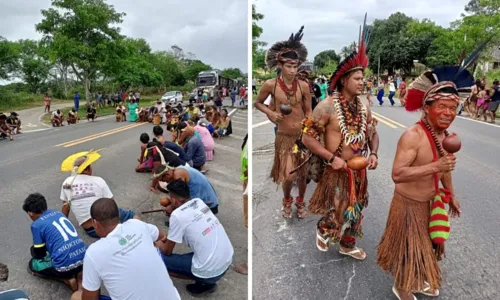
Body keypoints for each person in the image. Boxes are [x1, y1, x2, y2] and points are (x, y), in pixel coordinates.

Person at [377, 65, 467, 299]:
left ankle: (414, 279)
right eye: (442, 107)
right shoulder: (413, 136)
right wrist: (435, 166)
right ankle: (402, 285)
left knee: (426, 247)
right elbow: (397, 174)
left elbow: (445, 169)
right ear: (427, 108)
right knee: (408, 247)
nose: (448, 113)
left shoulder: (445, 137)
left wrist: (452, 195)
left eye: (453, 108)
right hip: (409, 204)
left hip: (431, 202)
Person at [301, 14, 379, 258]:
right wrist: (330, 157)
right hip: (336, 168)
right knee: (339, 206)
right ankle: (324, 228)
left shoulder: (364, 105)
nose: (362, 82)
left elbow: (373, 133)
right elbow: (307, 138)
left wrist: (374, 153)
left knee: (356, 207)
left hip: (359, 169)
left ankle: (347, 244)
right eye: (357, 78)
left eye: (363, 78)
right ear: (344, 80)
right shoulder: (326, 106)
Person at [254, 26, 312, 219]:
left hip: (302, 137)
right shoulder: (270, 85)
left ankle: (301, 201)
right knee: (289, 175)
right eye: (289, 67)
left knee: (303, 175)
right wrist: (270, 113)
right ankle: (287, 200)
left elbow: (309, 110)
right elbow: (258, 103)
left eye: (296, 67)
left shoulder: (303, 86)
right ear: (280, 65)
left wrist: (309, 125)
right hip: (284, 137)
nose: (293, 70)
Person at [80, 198, 180, 300]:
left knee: (77, 297)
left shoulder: (94, 253)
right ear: (119, 215)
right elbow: (162, 236)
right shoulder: (137, 224)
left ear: (95, 223)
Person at [157, 180, 233, 297]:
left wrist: (158, 244)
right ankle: (206, 280)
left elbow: (167, 251)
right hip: (226, 261)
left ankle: (204, 283)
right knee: (202, 248)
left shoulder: (177, 216)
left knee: (158, 257)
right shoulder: (199, 202)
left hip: (209, 271)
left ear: (173, 199)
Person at [60, 154, 138, 238]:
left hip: (90, 230)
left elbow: (65, 207)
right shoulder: (98, 180)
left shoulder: (67, 183)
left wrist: (63, 226)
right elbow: (111, 204)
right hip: (107, 224)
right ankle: (140, 233)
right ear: (87, 169)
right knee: (132, 214)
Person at [23, 193, 85, 292]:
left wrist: (33, 251)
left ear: (31, 213)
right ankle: (78, 273)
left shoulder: (36, 225)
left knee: (33, 265)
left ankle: (66, 279)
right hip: (84, 258)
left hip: (65, 267)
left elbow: (40, 254)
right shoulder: (59, 213)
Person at [153, 163, 219, 214]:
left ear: (167, 175)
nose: (165, 182)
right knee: (165, 201)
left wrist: (171, 207)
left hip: (208, 206)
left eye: (163, 180)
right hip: (201, 199)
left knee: (175, 201)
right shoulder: (177, 169)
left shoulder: (178, 175)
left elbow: (180, 198)